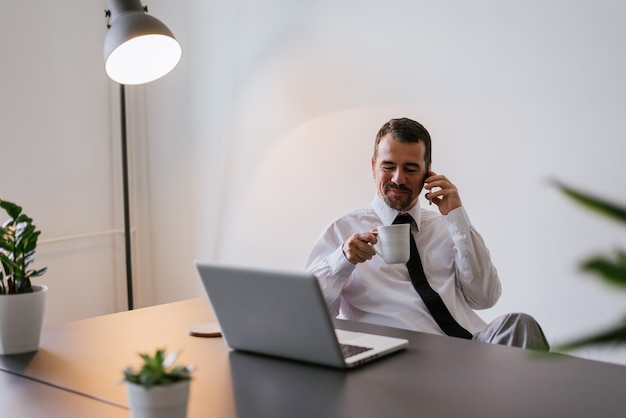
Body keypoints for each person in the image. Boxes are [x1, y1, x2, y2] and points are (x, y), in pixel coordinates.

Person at [305, 117, 549, 351]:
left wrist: (456, 217)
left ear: (427, 172)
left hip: (473, 346)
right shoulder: (343, 231)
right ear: (373, 167)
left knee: (520, 324)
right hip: (402, 353)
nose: (398, 179)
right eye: (388, 166)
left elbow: (485, 298)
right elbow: (309, 316)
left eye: (411, 169)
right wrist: (343, 260)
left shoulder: (447, 225)